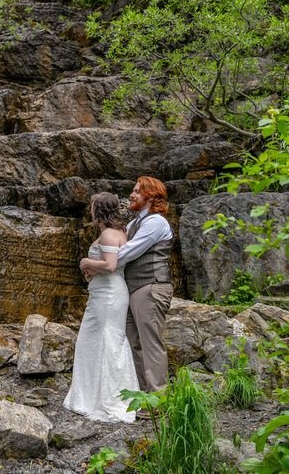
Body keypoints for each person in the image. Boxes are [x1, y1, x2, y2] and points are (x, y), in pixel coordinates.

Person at [82, 177, 174, 420]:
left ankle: (158, 402)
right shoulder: (135, 223)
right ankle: (144, 398)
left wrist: (96, 267)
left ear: (151, 196)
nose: (131, 195)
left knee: (151, 344)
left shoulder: (155, 223)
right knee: (134, 343)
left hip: (152, 287)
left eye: (136, 191)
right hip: (132, 289)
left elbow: (126, 253)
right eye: (132, 191)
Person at [64, 192, 138, 423]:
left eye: (93, 207)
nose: (91, 211)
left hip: (108, 295)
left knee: (101, 340)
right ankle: (97, 394)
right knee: (101, 341)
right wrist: (92, 273)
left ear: (99, 210)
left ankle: (104, 397)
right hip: (107, 291)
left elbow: (110, 264)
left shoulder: (107, 233)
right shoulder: (120, 231)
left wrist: (87, 263)